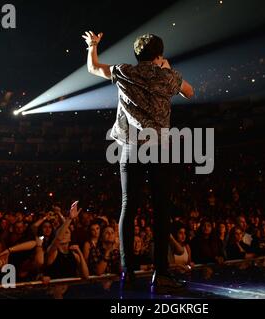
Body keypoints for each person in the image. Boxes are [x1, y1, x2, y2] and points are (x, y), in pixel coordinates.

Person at [83, 31, 193, 293]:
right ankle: (161, 275)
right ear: (159, 55)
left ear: (136, 54)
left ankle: (128, 273)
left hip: (131, 147)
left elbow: (93, 67)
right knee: (160, 209)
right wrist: (167, 68)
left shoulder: (124, 71)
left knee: (128, 207)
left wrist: (93, 46)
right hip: (158, 148)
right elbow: (190, 92)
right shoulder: (168, 76)